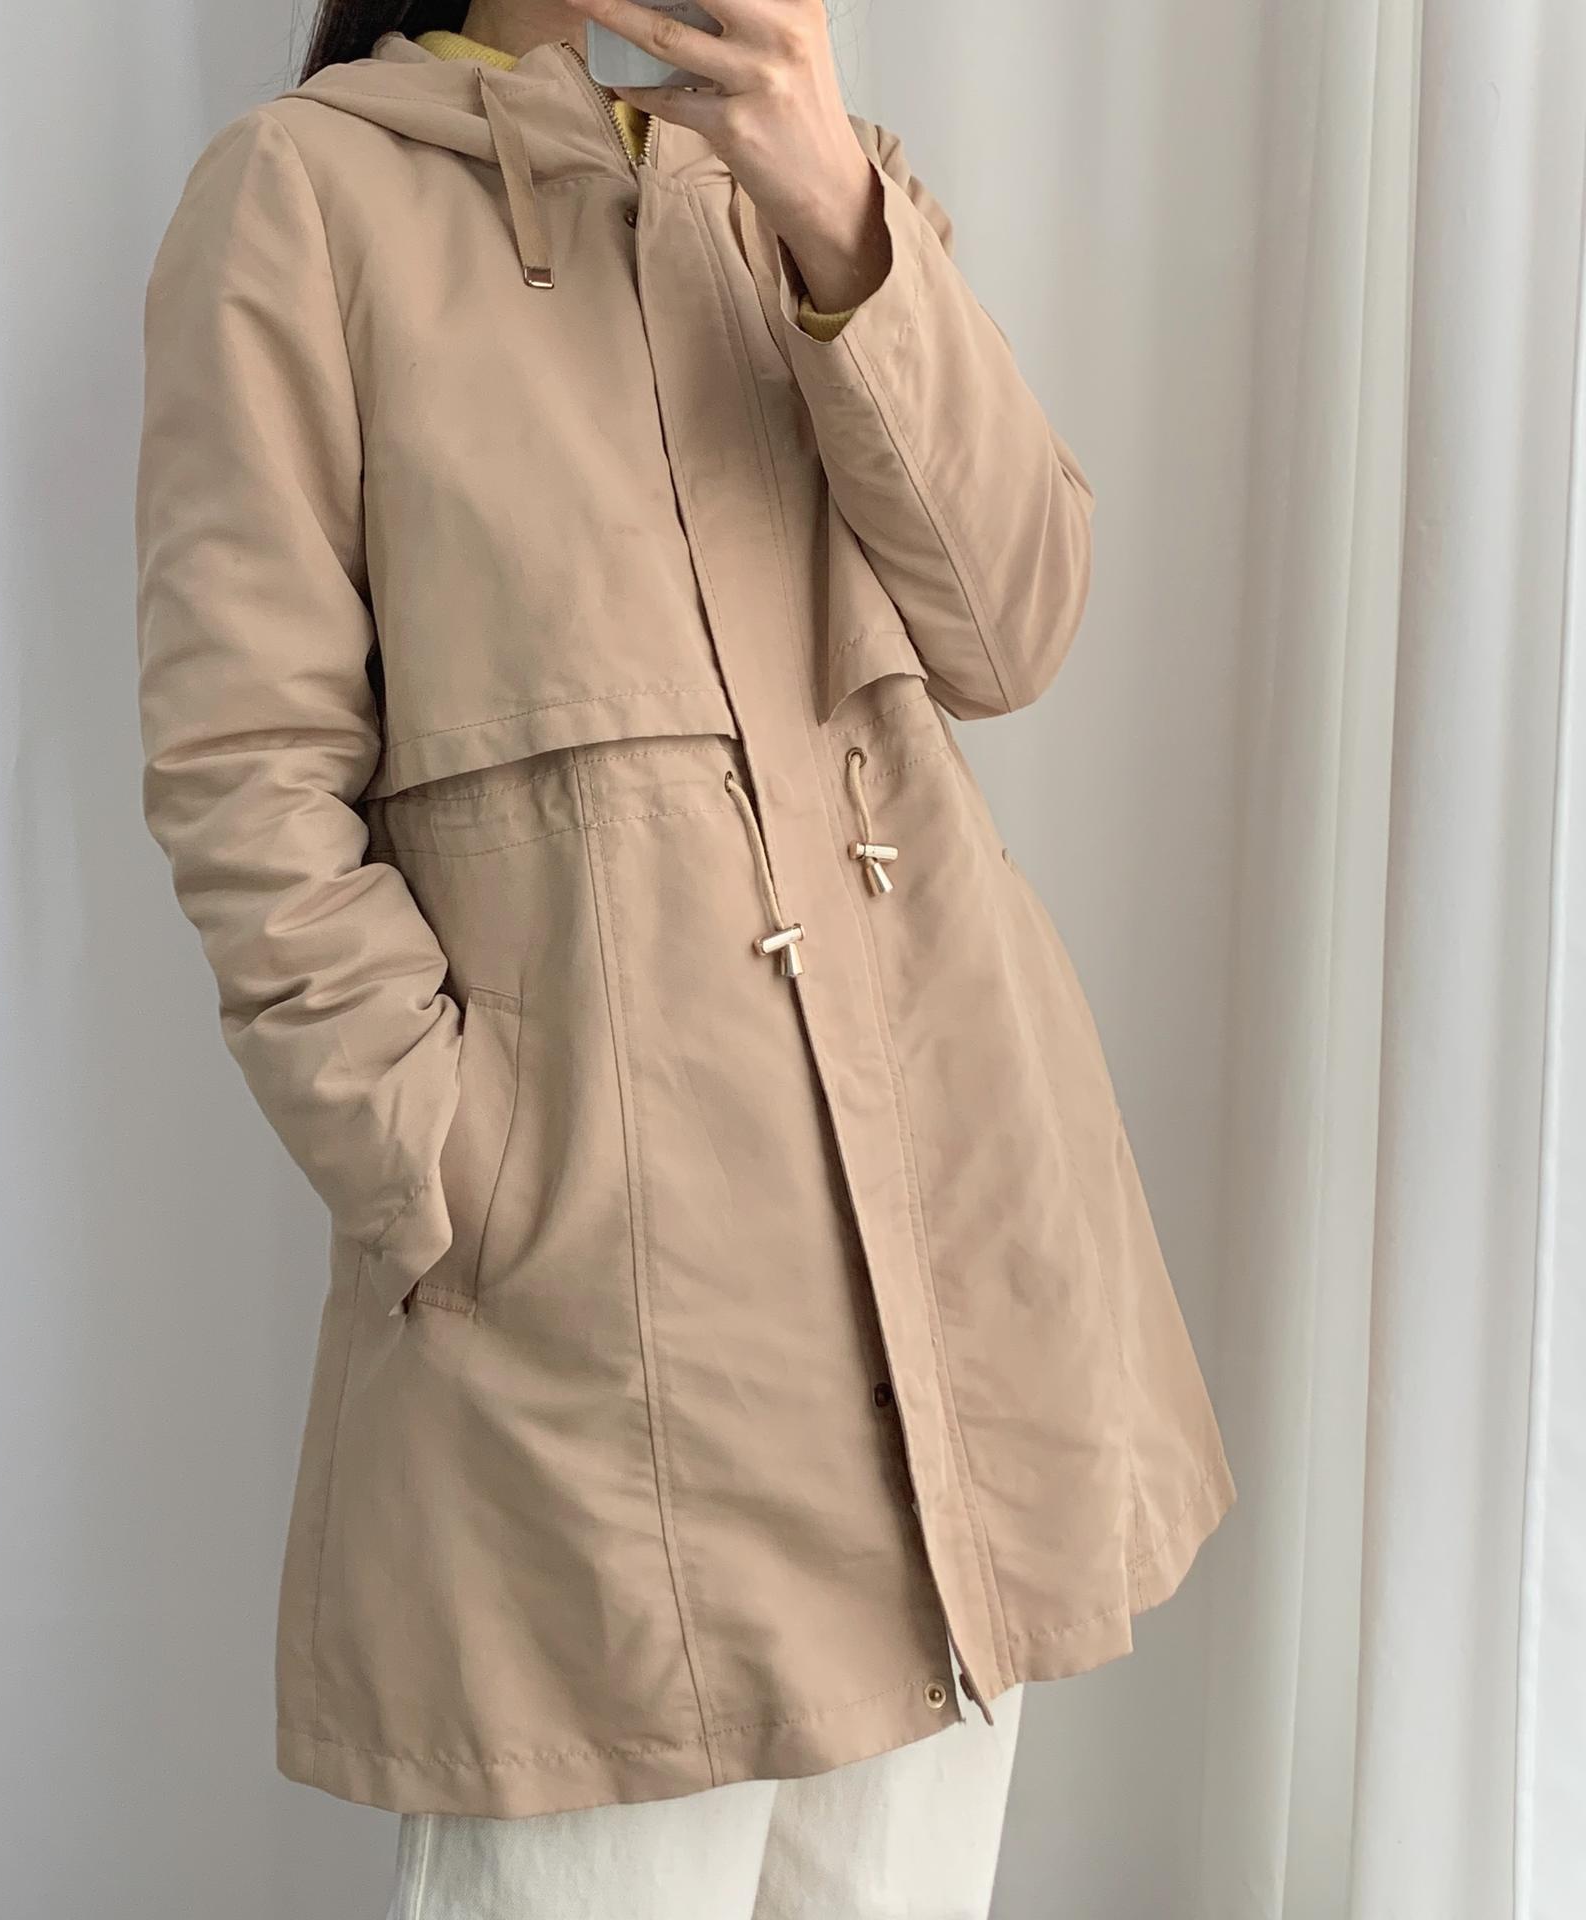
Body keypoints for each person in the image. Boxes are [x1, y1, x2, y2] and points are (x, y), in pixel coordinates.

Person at [134, 2, 1235, 1913]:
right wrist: (455, 1170)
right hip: (592, 1352)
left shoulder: (817, 190)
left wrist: (836, 215)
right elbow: (248, 777)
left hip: (944, 1281)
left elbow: (1015, 625)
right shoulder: (302, 197)